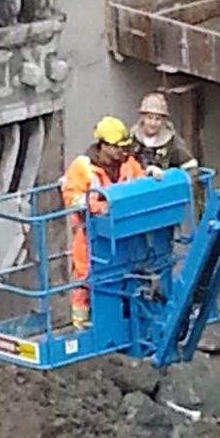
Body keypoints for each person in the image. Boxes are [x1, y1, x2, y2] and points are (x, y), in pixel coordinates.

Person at [60, 118, 143, 328]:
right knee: (86, 277)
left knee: (126, 273)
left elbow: (140, 182)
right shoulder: (83, 167)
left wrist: (152, 176)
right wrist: (100, 207)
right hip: (90, 233)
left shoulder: (128, 163)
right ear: (103, 145)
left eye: (124, 147)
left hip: (123, 231)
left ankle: (121, 320)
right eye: (117, 147)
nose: (121, 152)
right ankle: (82, 324)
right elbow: (73, 198)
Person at [131, 89, 197, 177]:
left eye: (157, 119)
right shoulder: (132, 137)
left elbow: (189, 166)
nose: (153, 123)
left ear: (164, 120)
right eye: (149, 118)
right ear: (142, 117)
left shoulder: (172, 140)